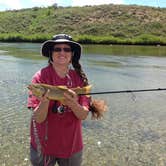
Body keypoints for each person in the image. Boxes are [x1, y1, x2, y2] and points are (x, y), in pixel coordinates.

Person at [27, 34, 106, 166]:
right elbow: (38, 119)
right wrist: (44, 101)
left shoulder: (79, 79)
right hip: (43, 146)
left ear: (72, 54)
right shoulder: (39, 78)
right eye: (57, 49)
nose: (62, 52)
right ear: (51, 53)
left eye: (66, 49)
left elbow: (83, 115)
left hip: (72, 146)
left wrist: (73, 104)